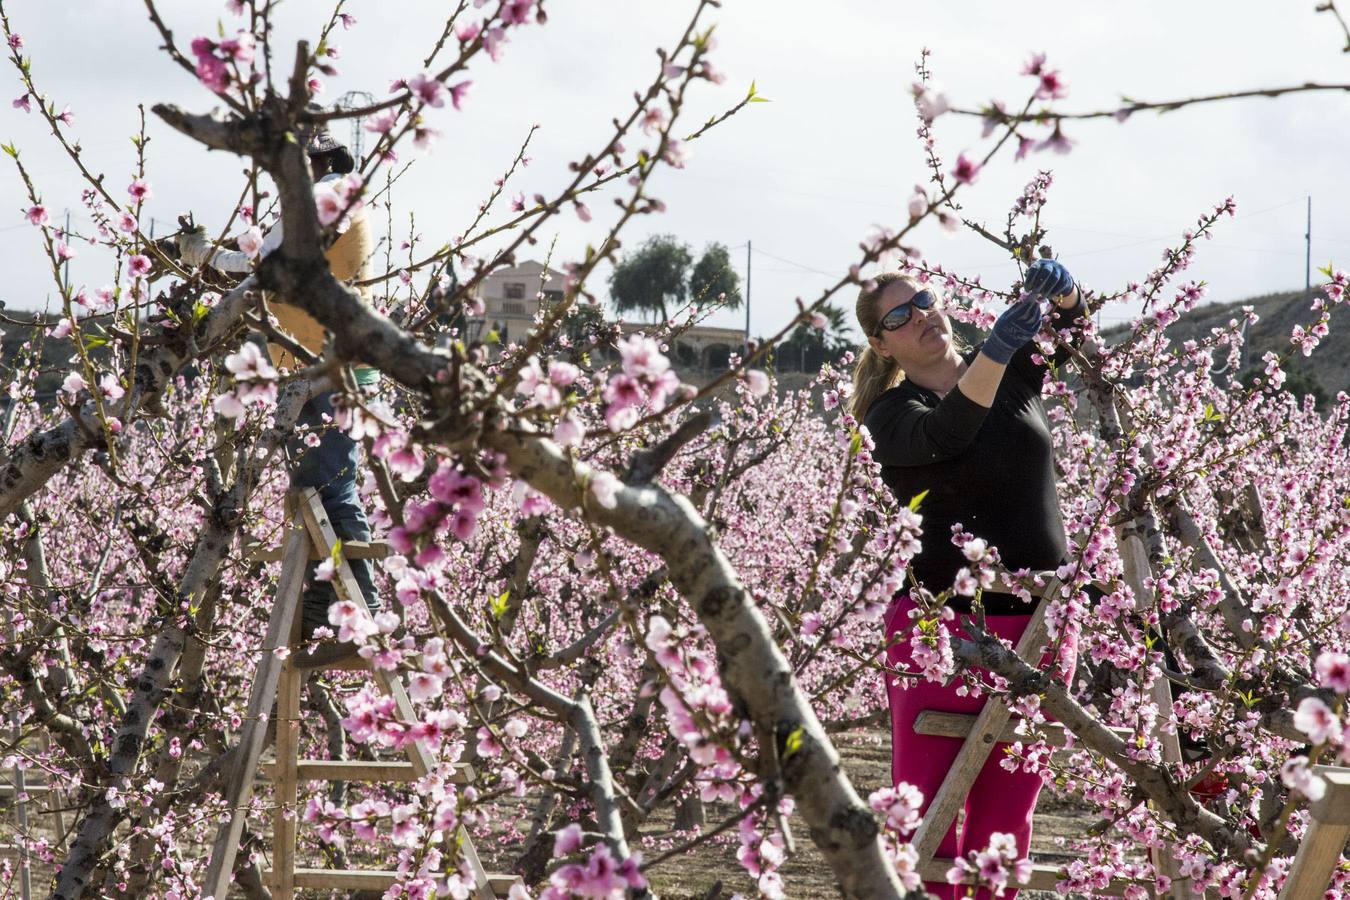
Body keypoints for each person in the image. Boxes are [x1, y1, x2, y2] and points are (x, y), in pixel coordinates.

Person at [852, 260, 1084, 900]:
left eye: (923, 299)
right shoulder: (891, 414)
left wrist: (1060, 291)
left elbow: (1070, 329)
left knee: (1007, 822)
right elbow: (948, 429)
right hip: (940, 629)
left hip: (1040, 627)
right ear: (882, 344)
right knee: (926, 822)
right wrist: (998, 350)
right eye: (899, 315)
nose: (921, 315)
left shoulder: (1011, 376)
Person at [177, 118, 381, 668]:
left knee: (331, 490)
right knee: (316, 491)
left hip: (326, 370)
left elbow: (264, 265)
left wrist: (205, 257)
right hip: (312, 369)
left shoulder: (327, 195)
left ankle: (367, 612)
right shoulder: (340, 202)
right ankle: (327, 605)